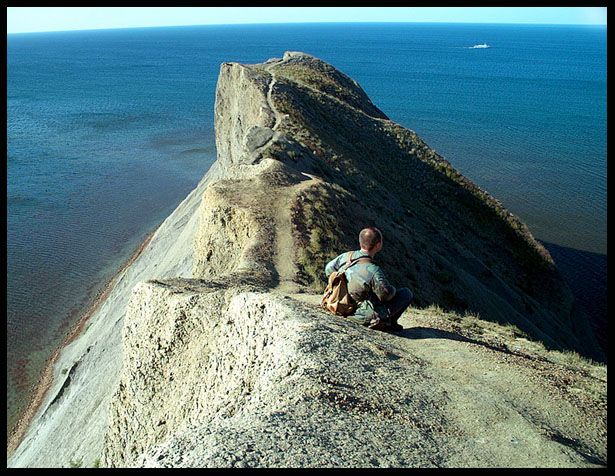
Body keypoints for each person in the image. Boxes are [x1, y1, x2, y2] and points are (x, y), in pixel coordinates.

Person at [324, 227, 413, 331]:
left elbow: (328, 269)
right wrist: (392, 289)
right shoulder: (372, 270)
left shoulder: (346, 256)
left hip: (338, 303)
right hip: (359, 314)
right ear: (378, 245)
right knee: (406, 293)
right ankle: (388, 323)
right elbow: (385, 295)